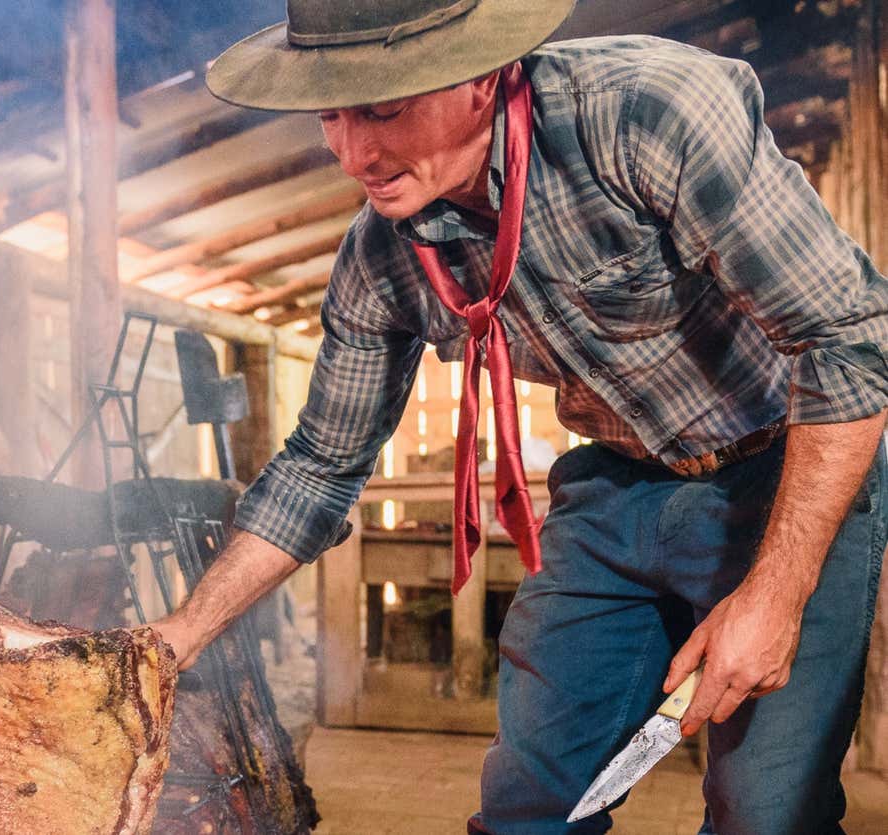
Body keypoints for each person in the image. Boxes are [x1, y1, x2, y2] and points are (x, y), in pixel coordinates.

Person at [152, 1, 888, 832]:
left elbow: (848, 340)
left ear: (475, 77)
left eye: (383, 110)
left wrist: (775, 595)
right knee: (528, 804)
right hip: (614, 488)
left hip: (784, 472)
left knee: (764, 810)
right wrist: (176, 638)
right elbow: (319, 466)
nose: (352, 153)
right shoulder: (381, 256)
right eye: (330, 115)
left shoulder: (648, 113)